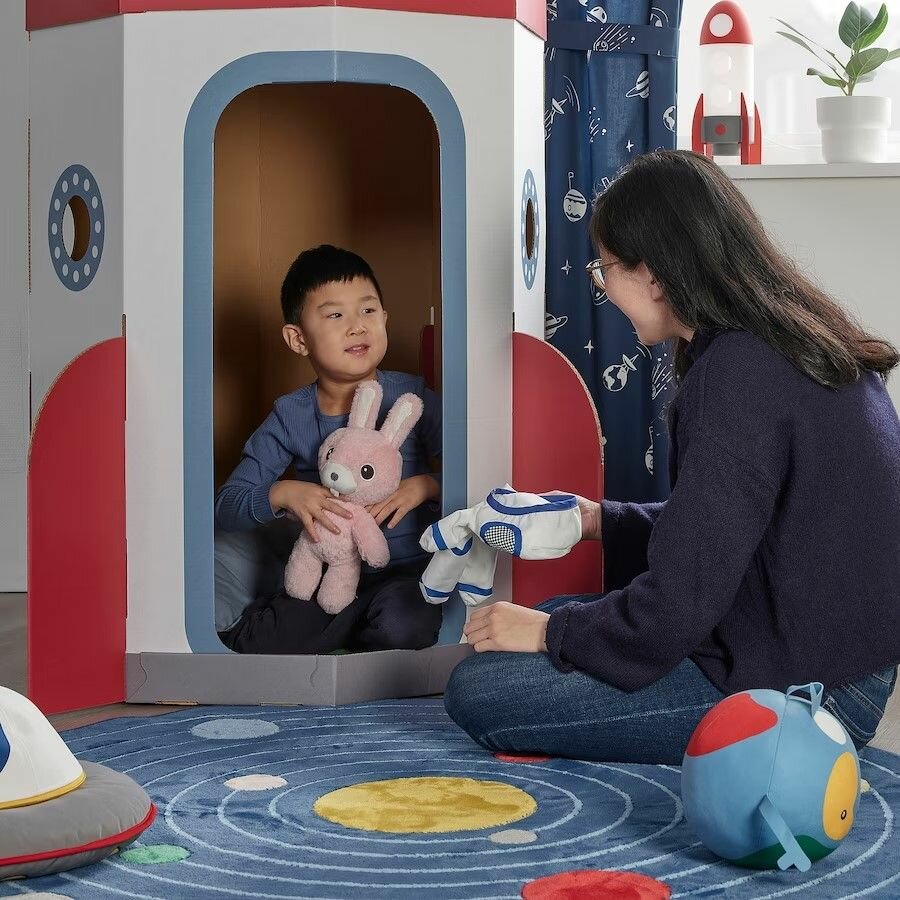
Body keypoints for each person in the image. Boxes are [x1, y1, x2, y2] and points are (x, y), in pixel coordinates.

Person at [443, 150, 900, 765]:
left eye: (606, 269)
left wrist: (552, 633)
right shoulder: (785, 340)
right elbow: (731, 530)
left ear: (654, 274)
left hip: (809, 690)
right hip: (832, 655)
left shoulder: (736, 374)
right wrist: (597, 520)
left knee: (481, 686)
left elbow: (677, 606)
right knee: (543, 622)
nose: (603, 289)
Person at [214, 245, 443, 655]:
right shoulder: (291, 415)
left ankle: (351, 631)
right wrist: (283, 493)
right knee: (265, 641)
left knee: (405, 626)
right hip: (326, 572)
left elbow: (478, 474)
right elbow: (227, 506)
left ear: (385, 319)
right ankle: (339, 627)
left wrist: (425, 486)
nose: (357, 326)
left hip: (407, 573)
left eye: (368, 311)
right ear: (298, 339)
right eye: (336, 315)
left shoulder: (413, 398)